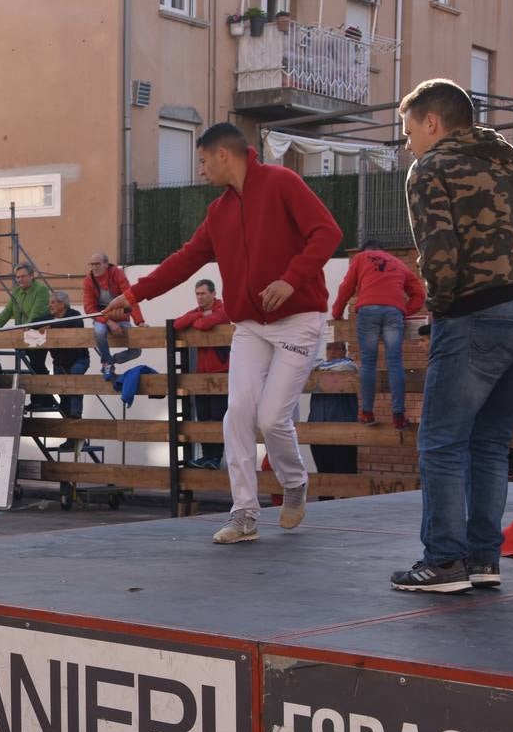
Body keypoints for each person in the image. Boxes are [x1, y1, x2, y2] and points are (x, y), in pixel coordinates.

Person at [103, 122, 342, 544]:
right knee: (237, 415)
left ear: (223, 156)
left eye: (201, 161)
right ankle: (244, 513)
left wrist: (291, 278)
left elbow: (328, 233)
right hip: (250, 324)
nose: (200, 171)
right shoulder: (219, 213)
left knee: (271, 418)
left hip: (299, 318)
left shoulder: (282, 183)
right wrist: (132, 294)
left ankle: (294, 483)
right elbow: (183, 261)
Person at [389, 78, 513, 594]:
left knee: (442, 441)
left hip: (482, 313)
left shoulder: (431, 168)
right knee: (490, 442)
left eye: (408, 132)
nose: (408, 146)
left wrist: (442, 312)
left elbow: (439, 255)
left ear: (432, 122)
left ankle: (445, 561)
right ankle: (484, 559)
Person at [332, 240, 426, 428]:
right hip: (393, 312)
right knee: (395, 363)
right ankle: (398, 416)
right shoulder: (399, 263)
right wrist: (404, 311)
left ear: (365, 250)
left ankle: (367, 413)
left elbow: (346, 287)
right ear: (383, 251)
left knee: (368, 363)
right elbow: (419, 294)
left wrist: (337, 313)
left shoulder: (360, 258)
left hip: (368, 310)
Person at [174, 279, 231, 469]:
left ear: (213, 294)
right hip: (201, 375)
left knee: (218, 416)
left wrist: (199, 319)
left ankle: (216, 458)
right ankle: (207, 457)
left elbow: (206, 324)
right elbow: (178, 324)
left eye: (203, 294)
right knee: (203, 417)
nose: (199, 297)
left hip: (220, 373)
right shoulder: (198, 311)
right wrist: (199, 315)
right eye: (197, 294)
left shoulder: (224, 309)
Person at [0, 265, 53, 408]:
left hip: (37, 333)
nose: (20, 279)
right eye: (18, 277)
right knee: (34, 366)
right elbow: (7, 312)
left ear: (32, 276)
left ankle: (43, 400)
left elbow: (37, 311)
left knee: (36, 364)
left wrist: (28, 326)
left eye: (23, 276)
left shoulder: (41, 290)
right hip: (23, 334)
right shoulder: (17, 292)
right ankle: (41, 400)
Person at [82, 252, 146, 381]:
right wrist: (109, 322)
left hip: (121, 317)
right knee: (99, 332)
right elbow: (89, 308)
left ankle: (110, 361)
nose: (94, 267)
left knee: (137, 350)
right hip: (101, 318)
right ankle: (106, 364)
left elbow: (131, 298)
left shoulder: (118, 274)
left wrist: (140, 322)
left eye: (97, 264)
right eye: (92, 264)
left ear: (106, 264)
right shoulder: (88, 280)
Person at [308, 341, 360, 486]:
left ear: (344, 351)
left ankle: (347, 504)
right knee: (323, 470)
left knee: (345, 470)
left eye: (337, 348)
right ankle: (325, 502)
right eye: (329, 348)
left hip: (343, 428)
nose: (332, 352)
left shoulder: (349, 368)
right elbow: (305, 368)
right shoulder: (318, 370)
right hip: (317, 427)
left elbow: (343, 367)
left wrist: (319, 370)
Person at [46, 291, 89, 421]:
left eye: (53, 302)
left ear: (62, 304)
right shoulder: (49, 317)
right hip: (59, 362)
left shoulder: (74, 315)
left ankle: (76, 413)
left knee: (74, 379)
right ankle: (66, 416)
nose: (50, 306)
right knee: (62, 390)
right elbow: (36, 321)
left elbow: (71, 327)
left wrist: (50, 326)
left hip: (79, 359)